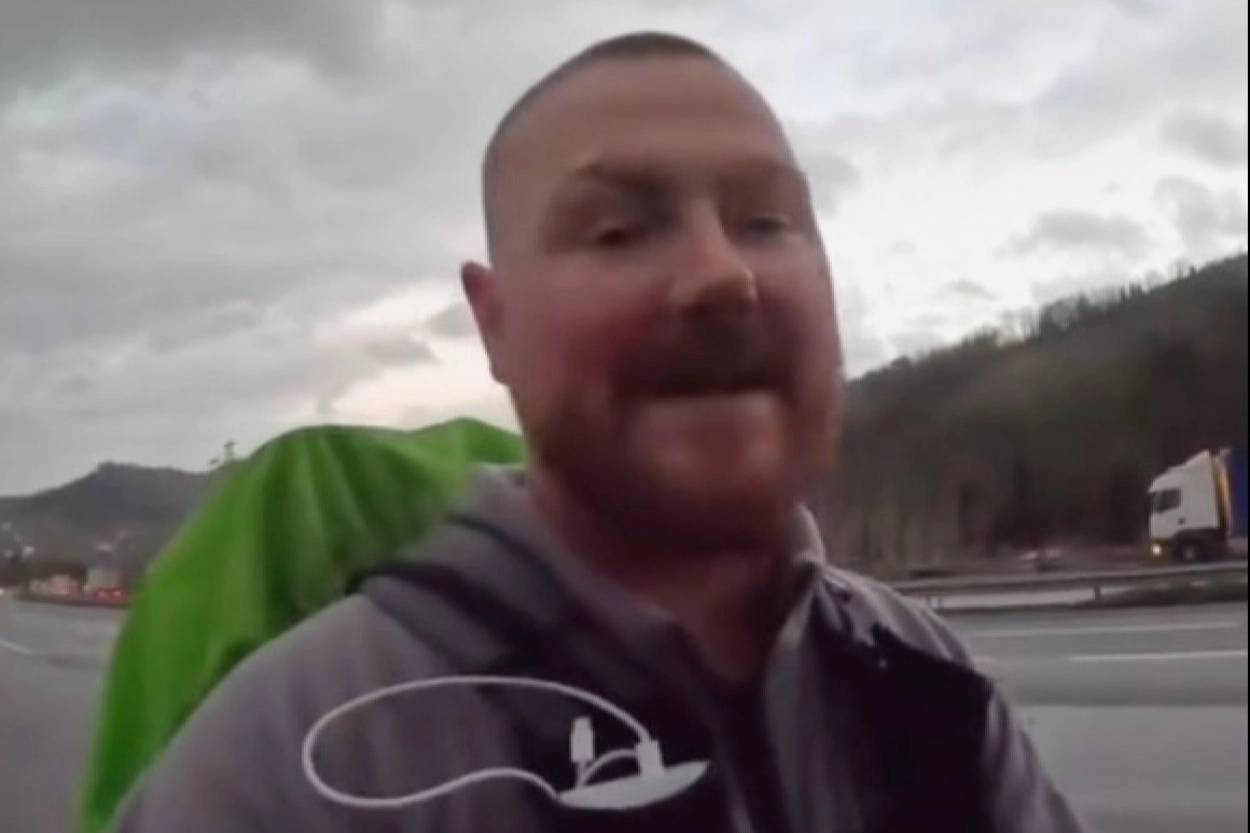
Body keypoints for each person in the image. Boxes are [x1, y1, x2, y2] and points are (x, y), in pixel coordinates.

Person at [108, 31, 1087, 833]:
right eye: (618, 231)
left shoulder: (925, 681)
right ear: (494, 324)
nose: (723, 274)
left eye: (765, 220)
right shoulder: (296, 761)